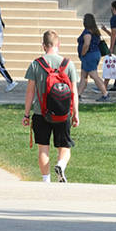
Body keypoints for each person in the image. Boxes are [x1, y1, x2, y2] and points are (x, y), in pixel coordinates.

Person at [22, 31, 79, 182]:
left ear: (43, 46)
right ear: (58, 44)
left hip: (41, 113)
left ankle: (46, 180)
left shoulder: (36, 64)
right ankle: (61, 165)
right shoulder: (68, 64)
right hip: (63, 113)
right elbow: (74, 92)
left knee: (43, 148)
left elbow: (30, 92)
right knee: (64, 148)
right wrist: (75, 114)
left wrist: (26, 114)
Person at [74, 13, 109, 101]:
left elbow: (86, 44)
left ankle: (105, 94)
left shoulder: (87, 32)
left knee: (94, 75)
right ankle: (78, 95)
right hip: (94, 54)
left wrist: (82, 53)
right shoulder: (95, 31)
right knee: (83, 76)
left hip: (89, 55)